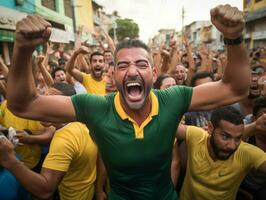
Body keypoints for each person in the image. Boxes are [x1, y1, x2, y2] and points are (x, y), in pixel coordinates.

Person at [4, 5, 250, 199]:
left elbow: (235, 88)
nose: (132, 71)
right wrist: (23, 48)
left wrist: (234, 37)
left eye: (141, 64)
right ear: (114, 75)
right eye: (123, 65)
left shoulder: (172, 99)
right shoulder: (96, 107)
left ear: (153, 75)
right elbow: (23, 104)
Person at [0, 83, 97, 200]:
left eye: (51, 101)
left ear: (67, 104)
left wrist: (10, 160)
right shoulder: (82, 121)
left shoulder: (63, 141)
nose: (43, 105)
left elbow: (45, 191)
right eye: (43, 98)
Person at [177, 106, 266, 200]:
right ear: (210, 128)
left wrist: (255, 126)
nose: (232, 146)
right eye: (225, 137)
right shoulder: (197, 137)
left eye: (238, 138)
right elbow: (166, 126)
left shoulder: (246, 152)